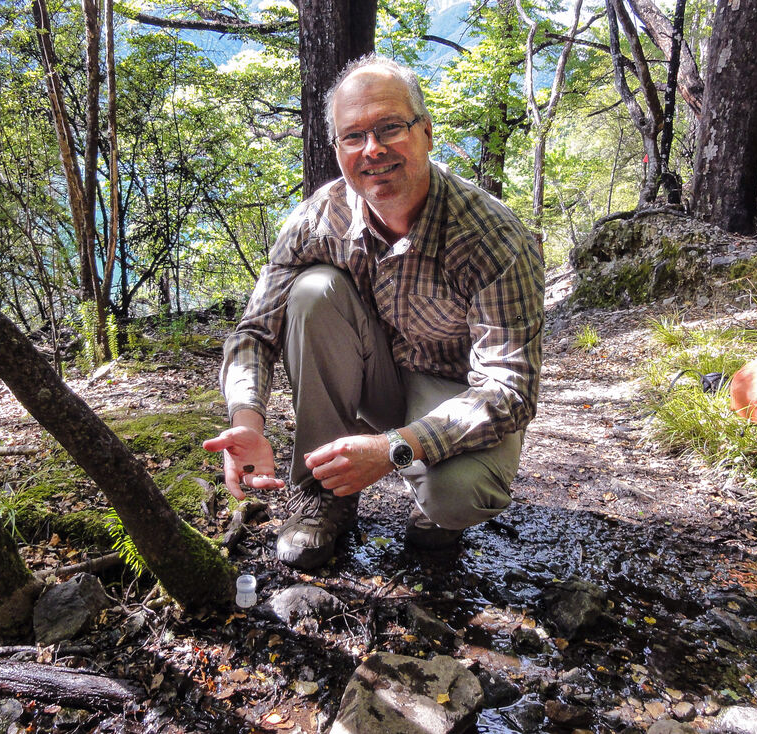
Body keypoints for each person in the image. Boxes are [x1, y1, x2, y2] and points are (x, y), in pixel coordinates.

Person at [203, 54, 544, 570]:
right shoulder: (318, 219)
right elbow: (255, 330)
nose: (373, 150)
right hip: (377, 376)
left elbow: (509, 389)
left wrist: (393, 449)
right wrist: (246, 417)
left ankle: (433, 513)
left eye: (390, 128)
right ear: (337, 150)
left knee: (458, 497)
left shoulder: (492, 239)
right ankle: (322, 493)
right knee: (313, 291)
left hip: (455, 391)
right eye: (353, 136)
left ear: (426, 133)